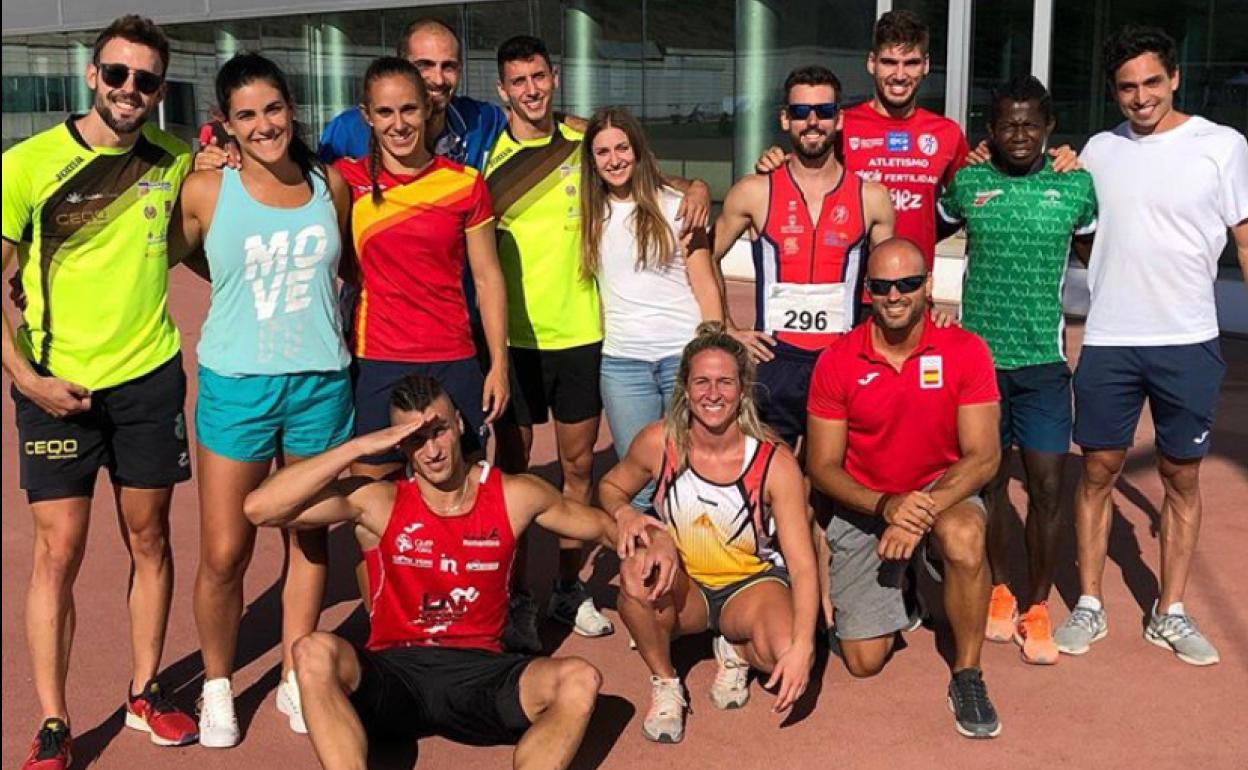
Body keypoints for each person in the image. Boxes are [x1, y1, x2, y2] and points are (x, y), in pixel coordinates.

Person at [241, 374, 681, 770]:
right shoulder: (379, 501)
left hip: (484, 673)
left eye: (439, 431)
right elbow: (260, 508)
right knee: (313, 650)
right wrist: (357, 447)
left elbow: (604, 528)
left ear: (460, 426)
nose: (431, 451)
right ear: (399, 446)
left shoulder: (514, 494)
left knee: (580, 679)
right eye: (415, 440)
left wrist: (647, 536)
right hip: (396, 672)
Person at [2, 15, 198, 769]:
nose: (129, 90)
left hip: (148, 379)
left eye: (146, 80)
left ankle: (145, 689)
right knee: (59, 551)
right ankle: (54, 721)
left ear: (158, 88)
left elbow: (206, 219)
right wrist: (29, 380)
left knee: (150, 539)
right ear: (92, 75)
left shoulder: (175, 157)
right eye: (117, 74)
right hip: (58, 386)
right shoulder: (27, 164)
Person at [484, 35, 711, 647]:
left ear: (553, 77)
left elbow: (639, 165)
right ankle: (514, 595)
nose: (531, 89)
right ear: (502, 89)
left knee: (580, 468)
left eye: (539, 76)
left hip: (584, 337)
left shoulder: (580, 143)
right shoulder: (486, 154)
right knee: (511, 476)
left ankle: (564, 585)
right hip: (516, 344)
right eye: (518, 81)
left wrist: (692, 185)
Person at [167, 52, 354, 746]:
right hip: (237, 384)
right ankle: (218, 685)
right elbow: (176, 254)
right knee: (225, 551)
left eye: (273, 109)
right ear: (226, 125)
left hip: (319, 383)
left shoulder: (329, 185)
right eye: (246, 115)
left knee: (308, 539)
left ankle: (294, 673)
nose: (264, 124)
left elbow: (349, 269)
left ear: (291, 109)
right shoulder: (207, 190)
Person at [1053, 26, 1248, 667]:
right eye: (1127, 87)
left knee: (1180, 478)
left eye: (1152, 83)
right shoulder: (1097, 151)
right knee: (1099, 473)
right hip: (1110, 339)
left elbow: (1244, 241)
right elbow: (1082, 230)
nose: (1140, 98)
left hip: (1187, 341)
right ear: (1115, 91)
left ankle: (1172, 611)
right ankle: (1089, 602)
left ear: (1175, 79)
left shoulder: (1221, 146)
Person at [806, 238, 1003, 739]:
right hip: (867, 501)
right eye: (882, 285)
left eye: (908, 284)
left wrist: (918, 512)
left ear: (928, 286)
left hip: (940, 492)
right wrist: (887, 506)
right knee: (863, 662)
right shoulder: (837, 360)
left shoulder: (966, 349)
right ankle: (909, 593)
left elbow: (984, 455)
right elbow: (823, 466)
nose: (895, 295)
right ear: (867, 291)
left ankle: (968, 673)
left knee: (963, 538)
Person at [936, 74, 1097, 665]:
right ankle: (1000, 591)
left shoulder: (1075, 185)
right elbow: (923, 227)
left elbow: (1101, 254)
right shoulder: (968, 182)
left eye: (1031, 123)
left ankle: (1036, 606)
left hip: (1045, 366)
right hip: (979, 370)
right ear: (992, 131)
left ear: (1050, 127)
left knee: (1050, 488)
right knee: (991, 483)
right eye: (1009, 124)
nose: (1021, 134)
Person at [599, 323, 818, 744]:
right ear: (684, 387)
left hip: (749, 587)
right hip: (685, 586)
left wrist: (804, 645)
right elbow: (608, 487)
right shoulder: (658, 441)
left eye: (724, 382)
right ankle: (665, 683)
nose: (712, 394)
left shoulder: (775, 461)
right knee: (633, 573)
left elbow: (803, 565)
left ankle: (735, 650)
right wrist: (626, 513)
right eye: (701, 381)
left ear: (743, 389)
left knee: (785, 652)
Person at [334, 56, 508, 485]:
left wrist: (499, 365)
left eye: (409, 109)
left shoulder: (465, 184)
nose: (399, 123)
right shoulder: (344, 181)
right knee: (374, 504)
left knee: (463, 495)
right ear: (367, 117)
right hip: (377, 360)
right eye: (385, 112)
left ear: (428, 109)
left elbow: (487, 278)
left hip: (453, 359)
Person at [712, 64, 894, 450]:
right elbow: (702, 258)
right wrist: (726, 327)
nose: (812, 121)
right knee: (767, 482)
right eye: (800, 112)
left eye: (824, 112)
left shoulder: (871, 196)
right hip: (773, 361)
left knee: (827, 481)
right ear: (785, 119)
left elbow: (891, 280)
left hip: (840, 359)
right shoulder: (754, 191)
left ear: (839, 119)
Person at [580, 105, 722, 512]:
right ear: (592, 161)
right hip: (623, 364)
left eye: (622, 148)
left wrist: (711, 352)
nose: (614, 160)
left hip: (681, 356)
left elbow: (705, 285)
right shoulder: (590, 214)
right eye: (603, 152)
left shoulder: (677, 205)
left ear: (638, 150)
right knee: (640, 480)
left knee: (691, 470)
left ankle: (694, 567)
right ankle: (646, 571)